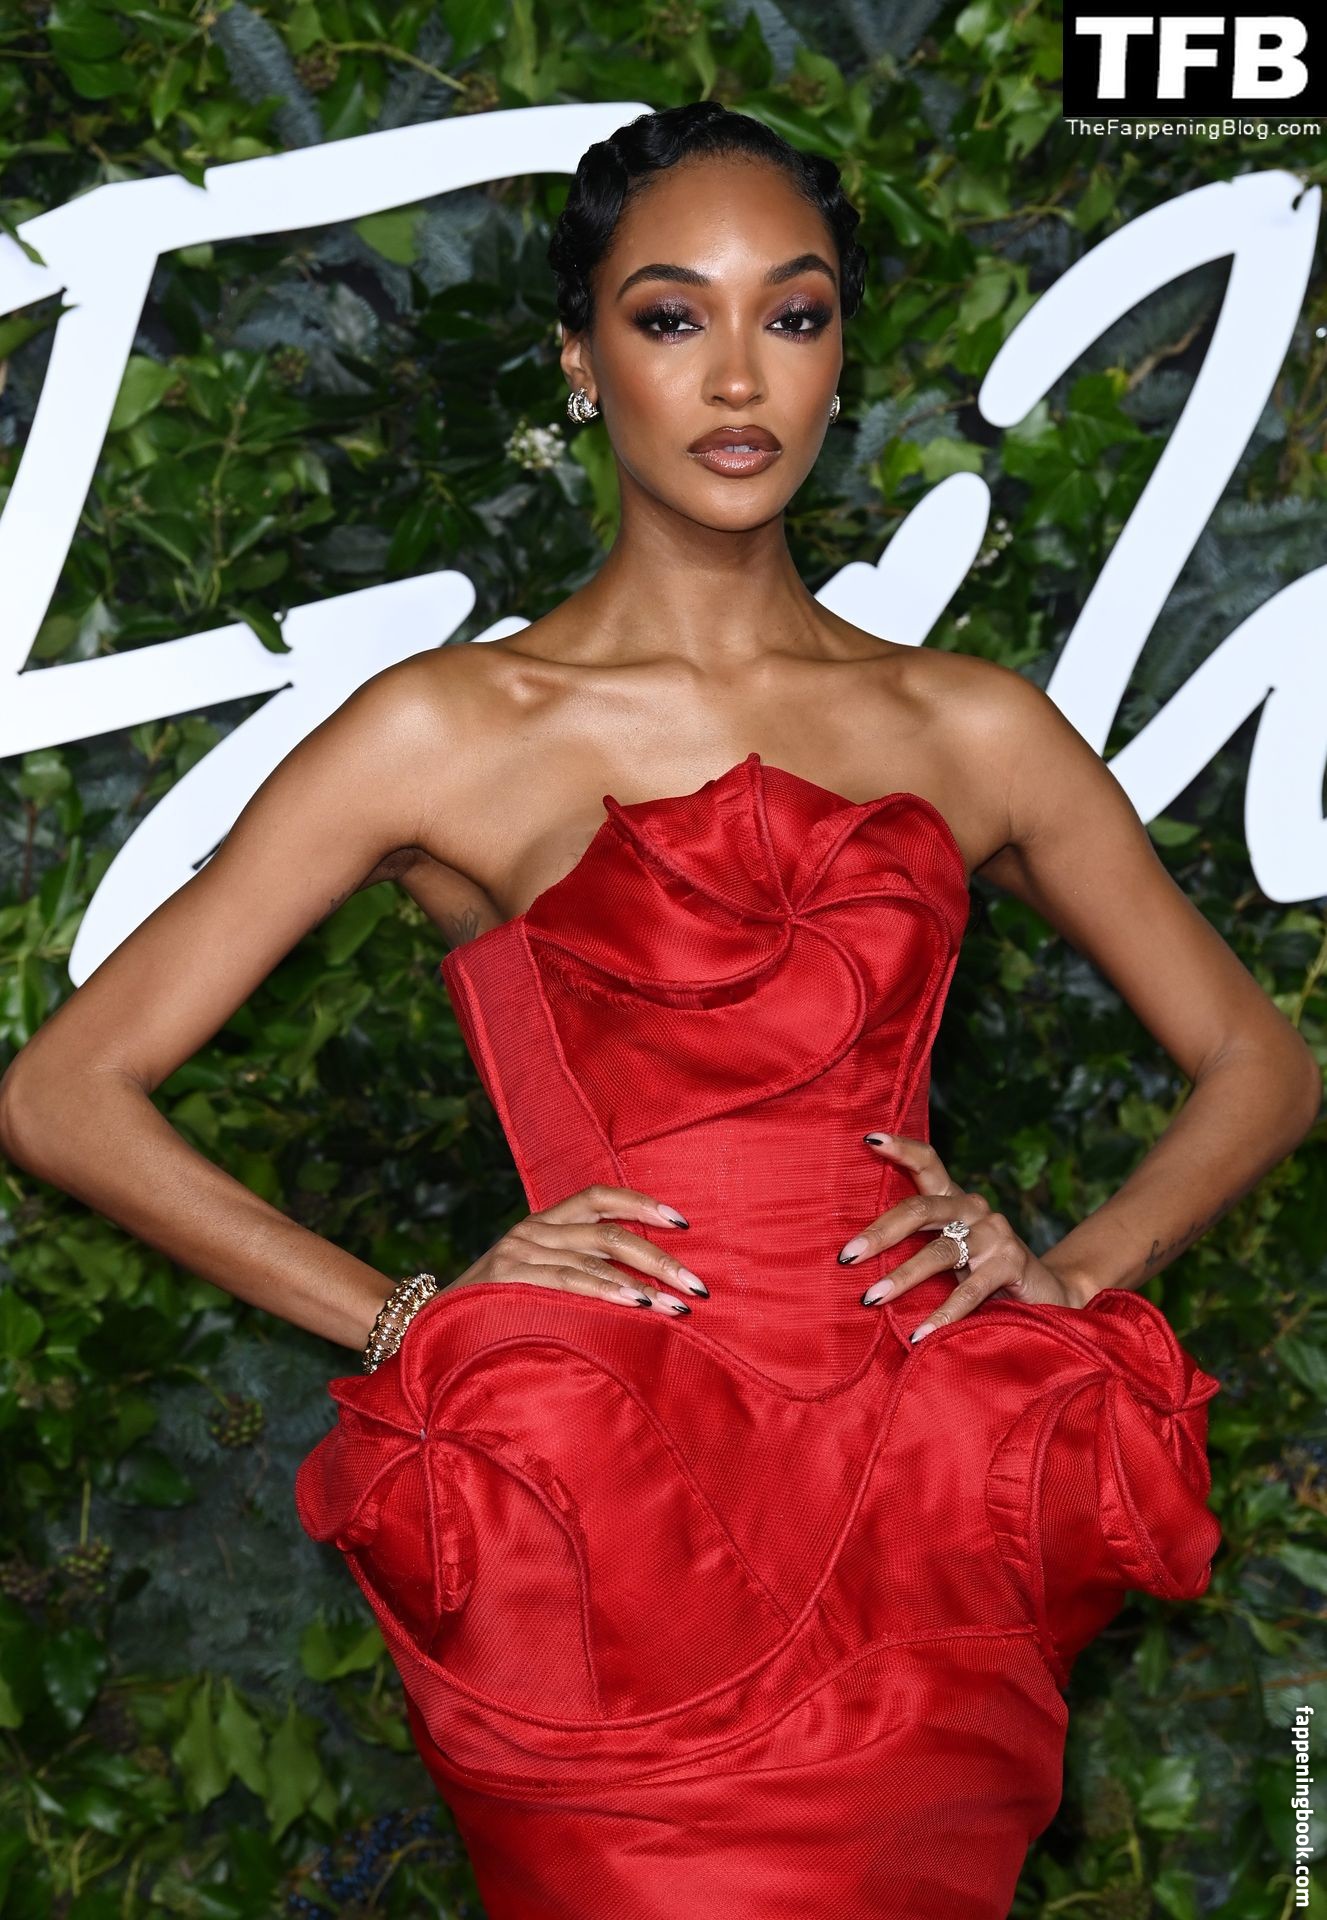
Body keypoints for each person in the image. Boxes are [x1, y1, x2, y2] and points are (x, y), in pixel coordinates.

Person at [0, 100, 1318, 1919]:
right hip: (605, 1525)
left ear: (840, 357)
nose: (738, 376)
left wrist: (1070, 1275)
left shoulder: (969, 726)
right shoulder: (450, 727)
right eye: (672, 316)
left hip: (926, 1518)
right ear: (580, 358)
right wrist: (409, 1317)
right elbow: (65, 1093)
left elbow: (1261, 1063)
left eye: (794, 314)